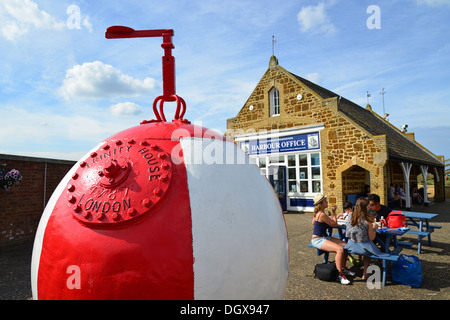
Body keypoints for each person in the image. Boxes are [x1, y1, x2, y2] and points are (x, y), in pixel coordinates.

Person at [311, 193, 353, 284]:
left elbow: (313, 223)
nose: (327, 202)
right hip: (318, 240)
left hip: (324, 237)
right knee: (340, 249)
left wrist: (328, 219)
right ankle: (339, 275)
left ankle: (343, 268)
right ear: (321, 204)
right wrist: (334, 213)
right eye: (325, 201)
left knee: (345, 245)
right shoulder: (321, 214)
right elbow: (334, 224)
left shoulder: (318, 214)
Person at [344, 197, 389, 279]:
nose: (370, 208)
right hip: (363, 248)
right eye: (368, 206)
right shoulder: (367, 220)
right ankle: (365, 273)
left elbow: (347, 234)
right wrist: (374, 228)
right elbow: (372, 238)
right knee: (368, 249)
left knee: (365, 245)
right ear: (365, 208)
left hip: (351, 245)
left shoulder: (350, 216)